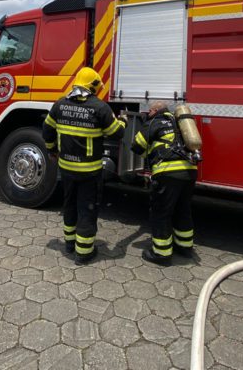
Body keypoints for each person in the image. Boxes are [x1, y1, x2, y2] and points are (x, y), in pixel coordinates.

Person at [43, 67, 126, 264]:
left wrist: (51, 150)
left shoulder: (60, 104)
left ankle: (69, 244)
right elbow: (117, 133)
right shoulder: (100, 107)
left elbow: (47, 129)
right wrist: (122, 121)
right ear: (93, 85)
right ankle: (84, 252)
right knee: (87, 208)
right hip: (89, 172)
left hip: (67, 169)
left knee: (69, 204)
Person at [132, 101, 198, 266]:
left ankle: (161, 254)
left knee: (161, 213)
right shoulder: (180, 122)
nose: (148, 114)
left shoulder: (154, 121)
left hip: (168, 173)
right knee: (183, 210)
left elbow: (137, 146)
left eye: (149, 111)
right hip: (190, 172)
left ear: (155, 110)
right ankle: (185, 248)